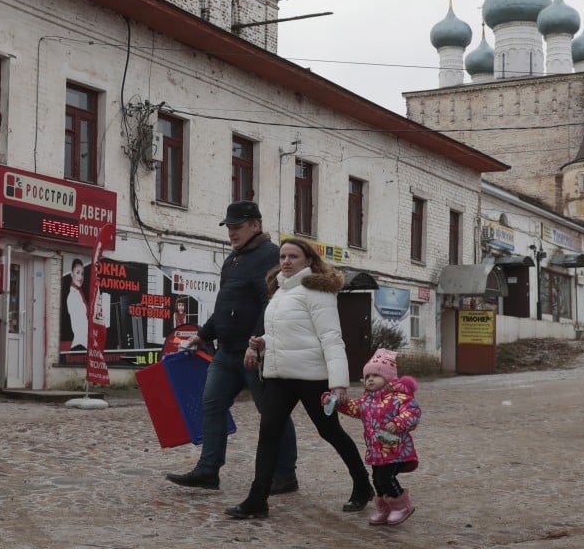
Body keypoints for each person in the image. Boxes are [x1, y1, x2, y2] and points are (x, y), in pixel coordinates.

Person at [225, 238, 372, 520]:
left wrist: (338, 383)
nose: (286, 261)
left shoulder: (317, 292)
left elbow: (331, 338)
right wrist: (263, 342)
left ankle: (363, 485)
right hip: (279, 376)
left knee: (330, 432)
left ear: (308, 261)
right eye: (282, 256)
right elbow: (289, 335)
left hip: (311, 376)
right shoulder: (279, 291)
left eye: (293, 256)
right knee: (268, 433)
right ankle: (258, 499)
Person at [164, 202, 298, 493]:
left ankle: (286, 474)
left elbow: (271, 304)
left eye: (237, 227)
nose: (232, 233)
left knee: (272, 413)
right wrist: (203, 334)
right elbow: (226, 306)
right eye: (229, 227)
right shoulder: (233, 260)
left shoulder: (269, 256)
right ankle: (208, 471)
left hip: (256, 354)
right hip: (226, 352)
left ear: (256, 225)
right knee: (211, 405)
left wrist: (257, 341)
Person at [334, 348, 422, 526]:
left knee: (385, 478)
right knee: (377, 480)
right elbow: (353, 408)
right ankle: (384, 509)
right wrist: (336, 403)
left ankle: (402, 506)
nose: (370, 379)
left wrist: (398, 422)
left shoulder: (399, 398)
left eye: (376, 375)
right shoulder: (366, 401)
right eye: (367, 377)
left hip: (395, 448)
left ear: (389, 378)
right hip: (375, 450)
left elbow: (413, 413)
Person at [65, 259, 88, 352]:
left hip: (84, 344)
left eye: (82, 274)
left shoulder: (79, 294)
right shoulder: (72, 296)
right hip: (80, 344)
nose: (80, 276)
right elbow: (80, 324)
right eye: (78, 272)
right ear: (71, 274)